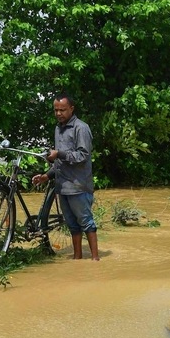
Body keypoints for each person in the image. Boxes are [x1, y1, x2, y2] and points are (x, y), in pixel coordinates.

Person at [32, 93, 98, 260]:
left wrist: (59, 153)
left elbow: (83, 156)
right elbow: (59, 161)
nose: (59, 113)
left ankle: (96, 260)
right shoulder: (58, 128)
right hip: (63, 186)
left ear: (71, 109)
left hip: (78, 185)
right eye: (56, 110)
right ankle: (77, 259)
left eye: (62, 110)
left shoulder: (80, 128)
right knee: (73, 226)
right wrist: (46, 176)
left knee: (87, 223)